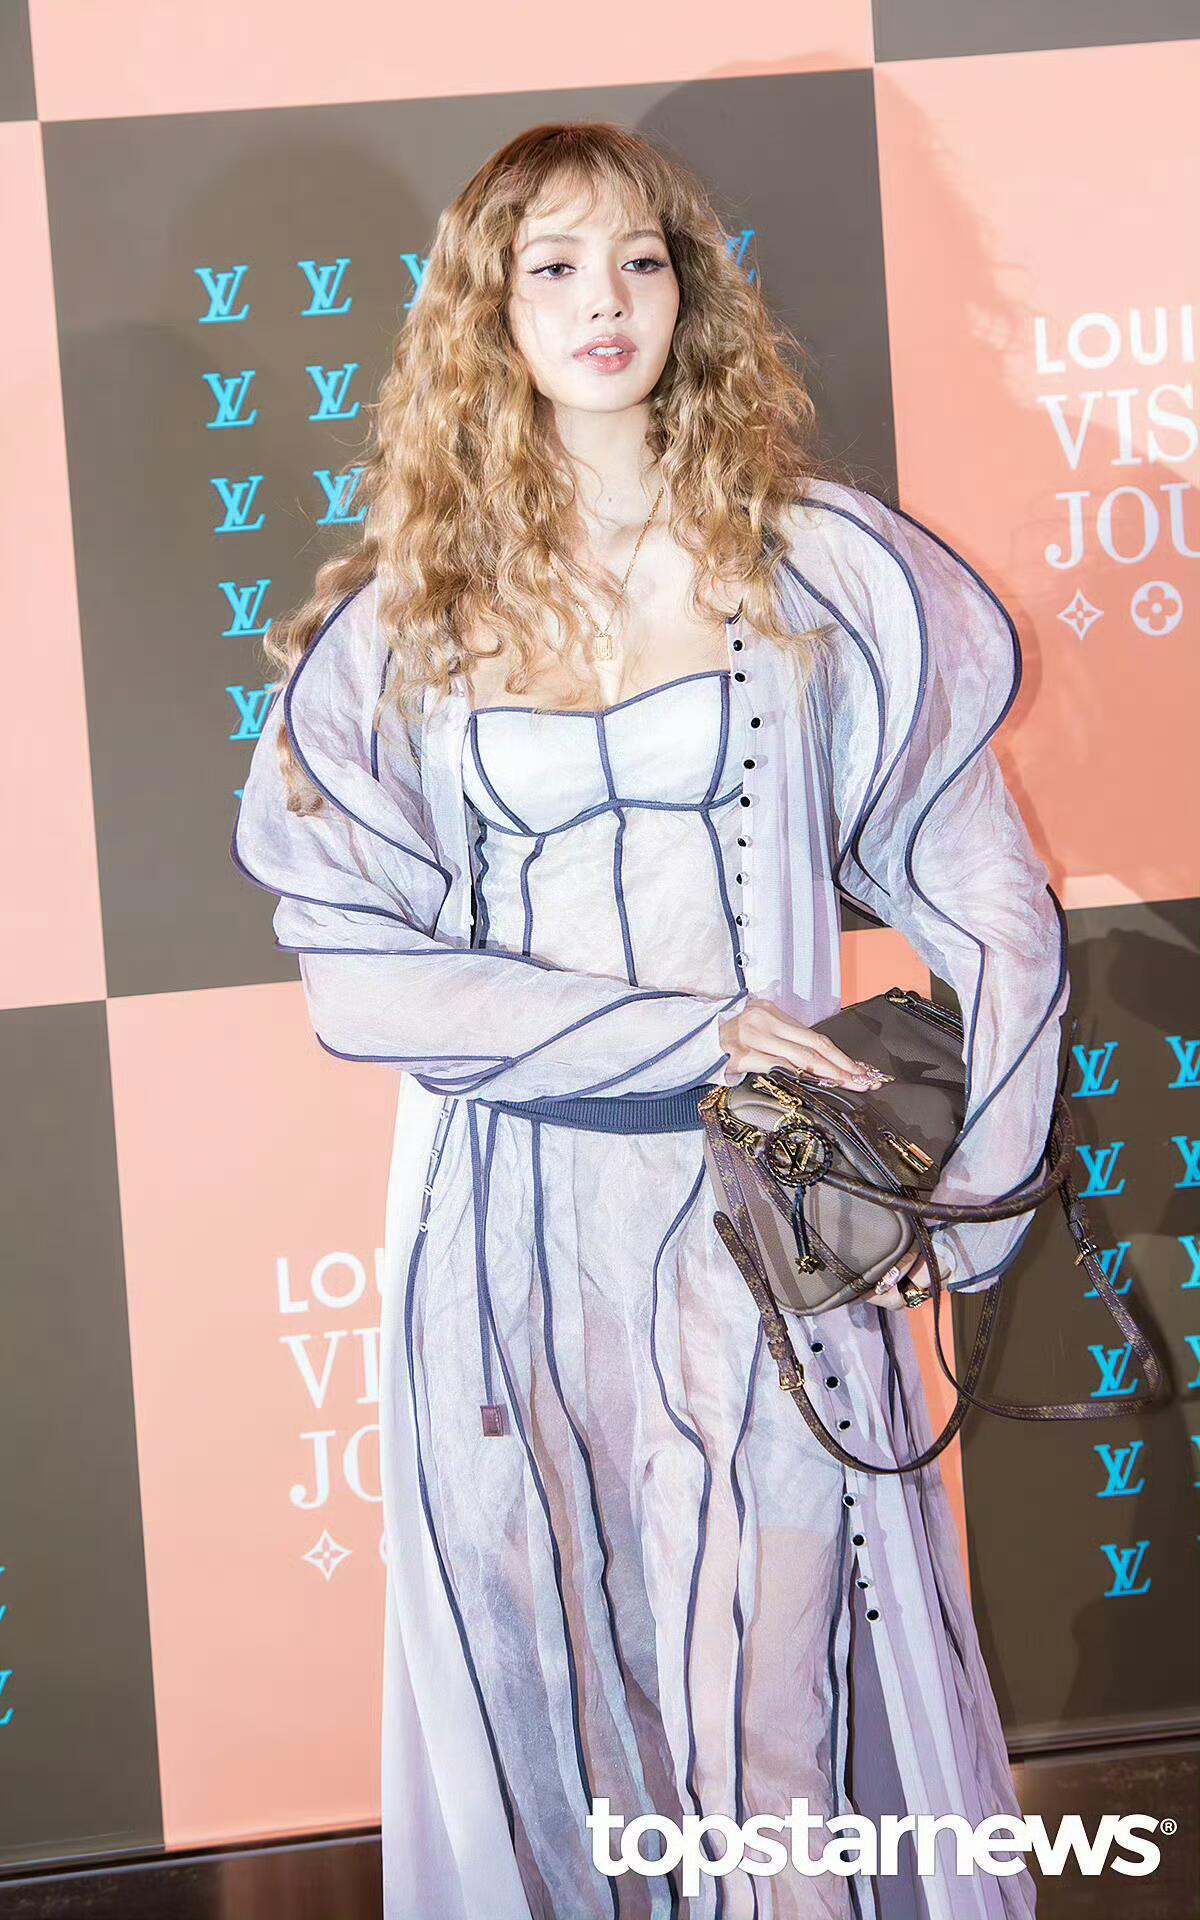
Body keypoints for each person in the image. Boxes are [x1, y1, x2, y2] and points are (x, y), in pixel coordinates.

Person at [232, 121, 1066, 1920]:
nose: (603, 301)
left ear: (690, 292)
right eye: (552, 267)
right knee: (560, 1706)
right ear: (491, 311)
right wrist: (688, 1030)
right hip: (501, 1241)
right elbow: (359, 964)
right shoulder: (406, 624)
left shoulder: (816, 568)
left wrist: (973, 1207)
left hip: (759, 1224)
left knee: (770, 1706)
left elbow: (991, 899)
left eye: (639, 259)